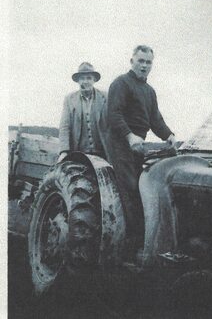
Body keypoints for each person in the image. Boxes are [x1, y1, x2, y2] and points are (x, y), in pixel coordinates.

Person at [107, 45, 176, 258]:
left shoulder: (149, 91)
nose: (144, 66)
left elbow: (155, 119)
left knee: (147, 187)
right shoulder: (121, 83)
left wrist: (169, 136)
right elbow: (114, 114)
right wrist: (129, 136)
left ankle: (148, 240)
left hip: (138, 145)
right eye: (141, 61)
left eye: (148, 62)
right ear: (132, 61)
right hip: (120, 143)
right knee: (130, 189)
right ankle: (131, 244)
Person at [58, 62, 108, 162]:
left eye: (89, 78)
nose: (85, 81)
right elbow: (64, 127)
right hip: (78, 154)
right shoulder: (69, 99)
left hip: (103, 154)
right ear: (78, 81)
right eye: (82, 78)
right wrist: (64, 151)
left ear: (94, 80)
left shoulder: (105, 97)